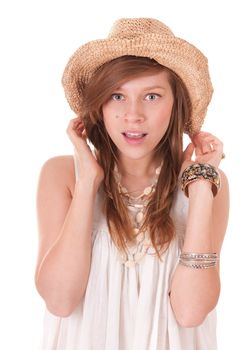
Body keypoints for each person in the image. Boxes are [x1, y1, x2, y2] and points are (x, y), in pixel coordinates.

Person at [35, 18, 229, 350]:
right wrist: (87, 185)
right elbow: (60, 301)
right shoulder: (62, 175)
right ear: (99, 105)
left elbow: (191, 312)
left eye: (152, 96)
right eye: (117, 96)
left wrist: (198, 190)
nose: (133, 115)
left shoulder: (207, 183)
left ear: (175, 105)